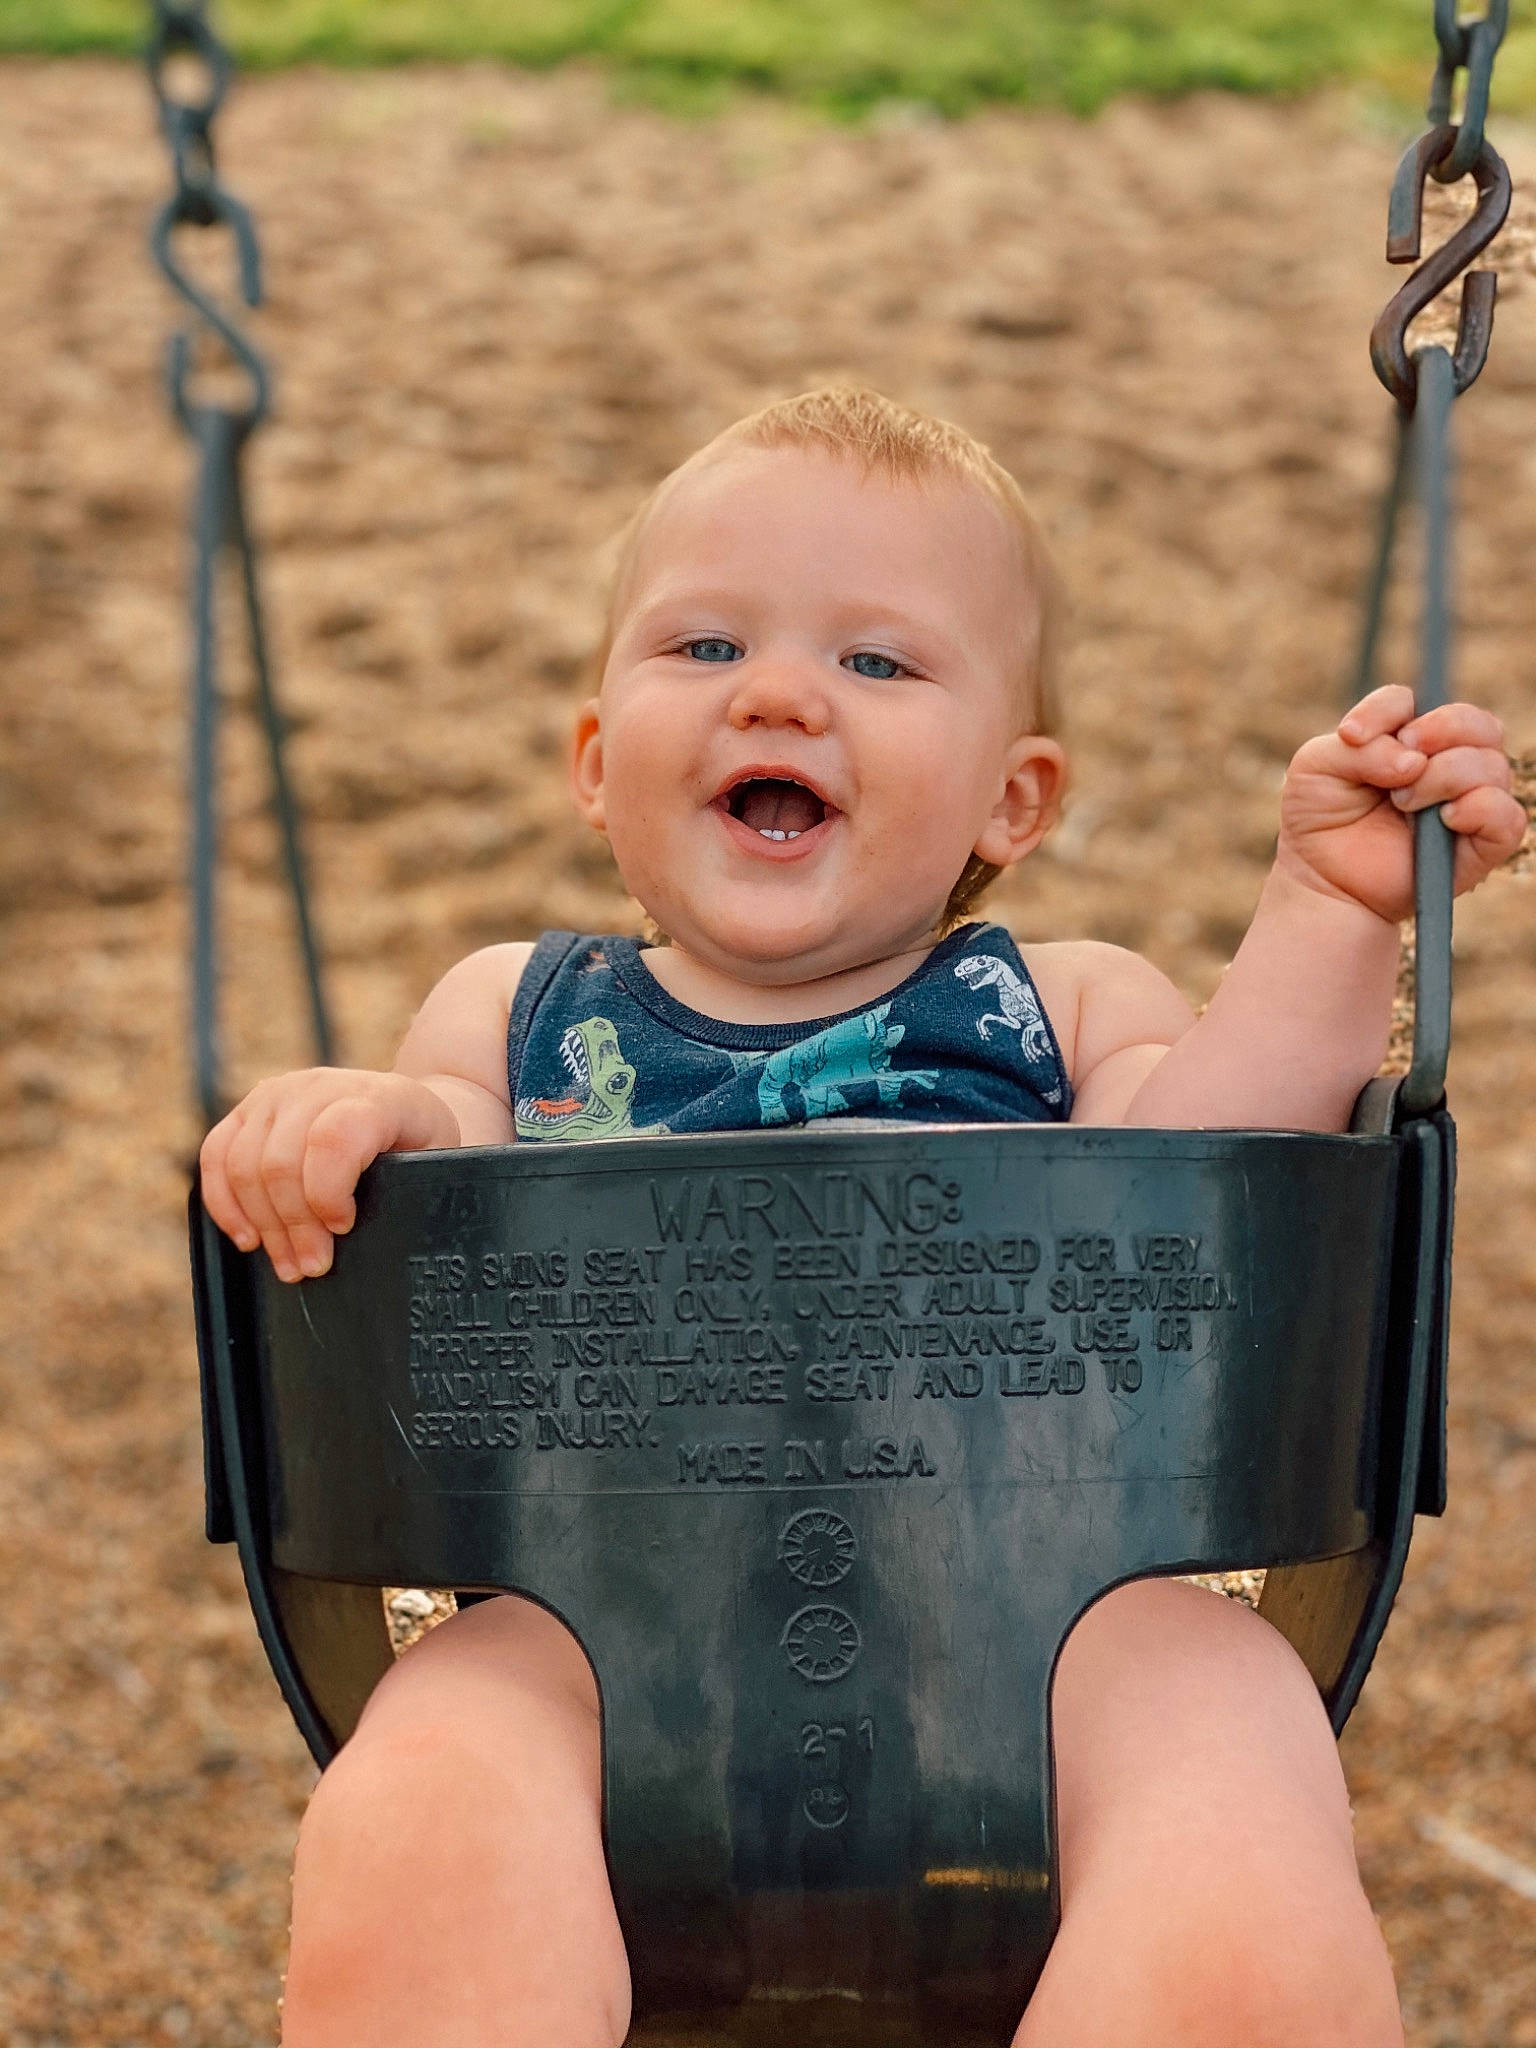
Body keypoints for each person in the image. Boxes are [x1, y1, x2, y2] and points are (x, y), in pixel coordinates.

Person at [200, 388, 1523, 2048]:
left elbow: (1215, 1181)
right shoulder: (513, 1016)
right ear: (597, 765)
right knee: (425, 1794)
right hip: (585, 1622)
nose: (777, 693)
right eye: (700, 647)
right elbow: (439, 1183)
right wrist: (352, 1121)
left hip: (1057, 1614)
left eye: (878, 664)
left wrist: (1330, 913)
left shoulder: (1064, 1008)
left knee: (1232, 1732)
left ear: (1014, 803)